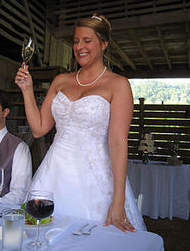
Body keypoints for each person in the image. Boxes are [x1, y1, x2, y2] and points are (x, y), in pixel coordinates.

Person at [15, 13, 146, 232]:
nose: (80, 47)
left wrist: (118, 201)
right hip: (53, 176)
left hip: (94, 181)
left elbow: (117, 143)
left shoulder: (118, 84)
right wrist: (27, 89)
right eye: (76, 41)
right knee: (40, 235)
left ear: (104, 44)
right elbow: (38, 129)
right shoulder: (61, 81)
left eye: (87, 40)